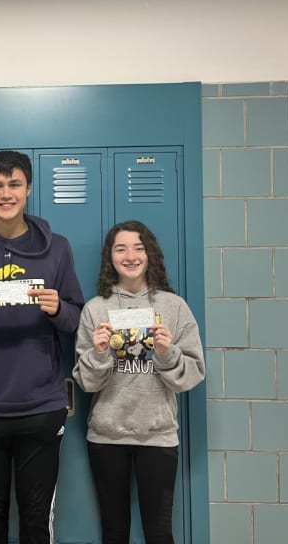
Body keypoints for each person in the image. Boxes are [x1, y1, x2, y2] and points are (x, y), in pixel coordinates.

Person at [0, 150, 84, 544]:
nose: (6, 194)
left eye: (14, 185)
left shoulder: (57, 248)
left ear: (29, 189)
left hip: (40, 406)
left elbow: (77, 318)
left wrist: (59, 309)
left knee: (37, 518)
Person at [72, 220, 205, 544]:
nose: (130, 256)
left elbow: (193, 373)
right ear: (110, 258)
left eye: (138, 247)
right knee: (114, 532)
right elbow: (86, 382)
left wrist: (166, 352)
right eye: (121, 249)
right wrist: (101, 353)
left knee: (159, 533)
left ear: (150, 254)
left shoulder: (173, 307)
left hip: (158, 437)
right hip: (107, 436)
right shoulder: (95, 309)